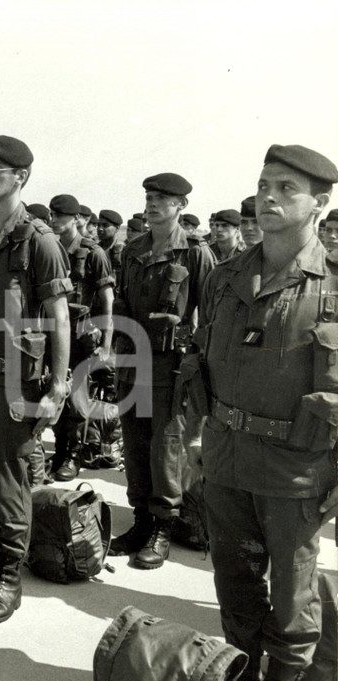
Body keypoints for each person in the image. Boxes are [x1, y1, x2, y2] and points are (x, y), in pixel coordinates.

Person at [184, 144, 338, 681]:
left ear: (319, 204)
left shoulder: (334, 286)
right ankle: (243, 667)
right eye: (263, 184)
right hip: (226, 453)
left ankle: (281, 679)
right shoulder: (225, 278)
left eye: (287, 189)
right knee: (234, 576)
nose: (268, 196)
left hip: (298, 464)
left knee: (294, 590)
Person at [0, 135, 72, 624]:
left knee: (9, 482)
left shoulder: (38, 241)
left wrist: (58, 386)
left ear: (20, 177)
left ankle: (9, 575)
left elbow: (60, 317)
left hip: (16, 385)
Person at [109, 172, 215, 570]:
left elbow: (210, 315)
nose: (153, 204)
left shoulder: (195, 252)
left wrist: (187, 340)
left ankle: (164, 527)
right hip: (131, 359)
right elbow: (120, 297)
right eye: (149, 197)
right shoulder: (133, 248)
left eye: (163, 199)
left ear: (181, 206)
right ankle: (141, 520)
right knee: (134, 445)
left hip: (171, 366)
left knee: (165, 448)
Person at [48, 193, 115, 481]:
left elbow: (108, 300)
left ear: (76, 219)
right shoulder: (49, 248)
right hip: (53, 332)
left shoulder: (93, 253)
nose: (55, 220)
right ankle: (60, 451)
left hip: (82, 335)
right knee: (55, 394)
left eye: (61, 216)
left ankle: (73, 455)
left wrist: (107, 344)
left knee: (76, 400)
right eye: (52, 215)